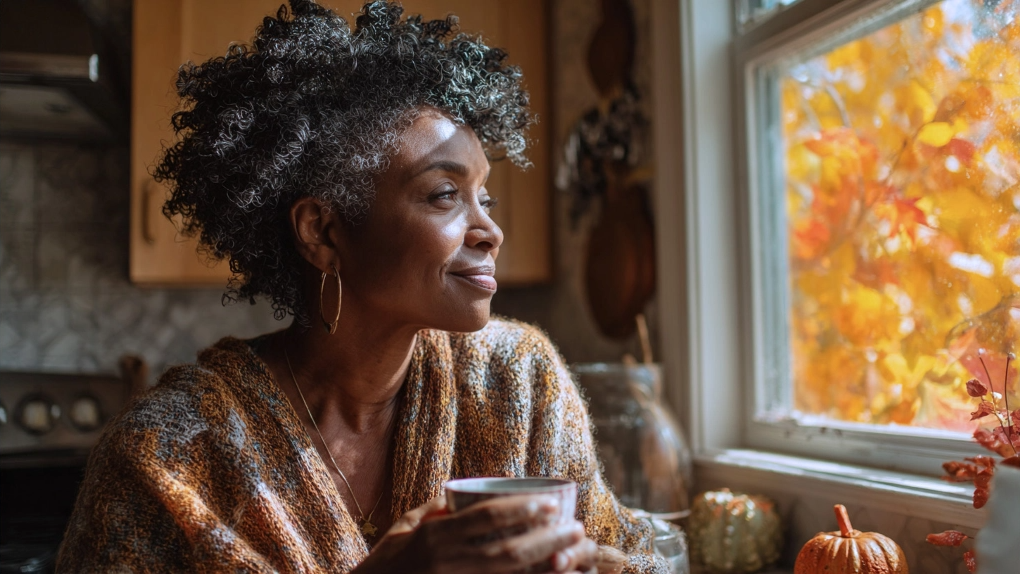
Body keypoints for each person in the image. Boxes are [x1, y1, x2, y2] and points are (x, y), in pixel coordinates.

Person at [57, 1, 670, 572]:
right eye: (445, 195)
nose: (491, 230)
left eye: (486, 196)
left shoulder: (519, 381)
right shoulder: (166, 457)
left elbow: (617, 554)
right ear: (323, 232)